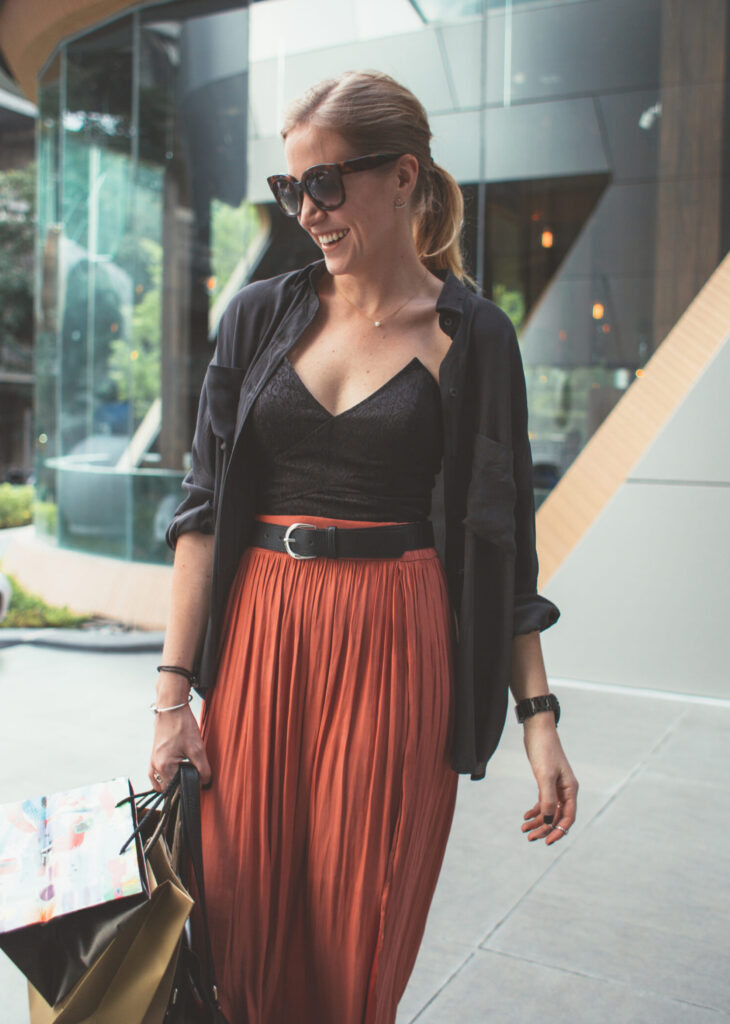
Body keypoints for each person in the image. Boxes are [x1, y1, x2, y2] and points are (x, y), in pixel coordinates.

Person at [149, 70, 579, 1024]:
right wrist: (173, 700)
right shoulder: (260, 315)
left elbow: (502, 542)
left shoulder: (474, 335)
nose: (310, 210)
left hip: (396, 641)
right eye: (292, 189)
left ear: (403, 177)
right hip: (259, 634)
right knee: (244, 926)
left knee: (361, 927)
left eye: (329, 184)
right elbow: (201, 511)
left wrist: (537, 715)